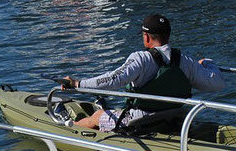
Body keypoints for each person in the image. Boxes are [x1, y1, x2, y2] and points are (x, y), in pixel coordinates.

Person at [59, 14, 225, 131]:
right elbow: (216, 83)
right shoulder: (186, 60)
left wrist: (78, 84)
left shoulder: (140, 59)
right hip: (173, 116)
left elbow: (112, 80)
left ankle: (65, 130)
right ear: (168, 35)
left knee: (97, 116)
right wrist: (208, 64)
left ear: (146, 37)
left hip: (140, 121)